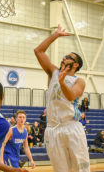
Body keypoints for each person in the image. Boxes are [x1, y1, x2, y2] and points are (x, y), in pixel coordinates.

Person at [34, 25, 90, 171]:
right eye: (65, 55)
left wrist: (61, 81)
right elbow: (38, 51)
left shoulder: (79, 81)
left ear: (76, 64)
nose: (64, 57)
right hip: (52, 129)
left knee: (80, 168)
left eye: (69, 57)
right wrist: (55, 35)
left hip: (71, 127)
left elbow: (71, 96)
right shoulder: (53, 71)